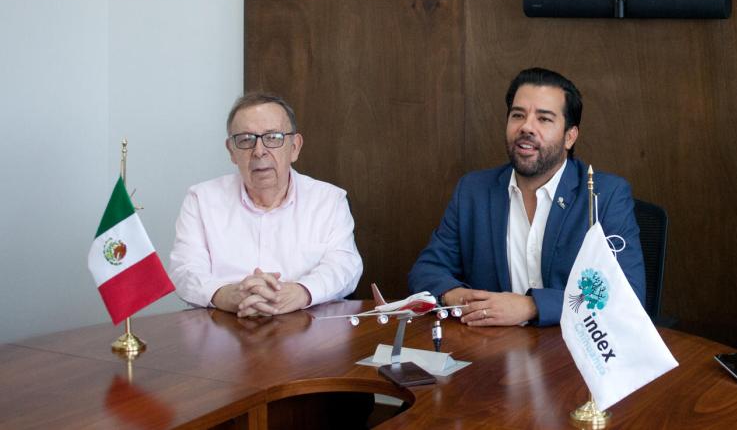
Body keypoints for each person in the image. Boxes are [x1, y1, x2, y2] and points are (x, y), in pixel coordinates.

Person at [408, 68, 644, 327]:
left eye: (544, 119)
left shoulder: (605, 196)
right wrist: (456, 296)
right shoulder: (473, 191)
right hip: (490, 345)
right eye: (518, 115)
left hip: (570, 345)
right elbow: (427, 270)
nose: (526, 127)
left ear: (569, 136)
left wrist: (532, 306)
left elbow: (627, 295)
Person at [169, 93, 362, 317]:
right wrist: (225, 295)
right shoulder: (201, 200)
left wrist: (301, 292)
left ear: (295, 147)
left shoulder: (329, 200)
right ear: (231, 151)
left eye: (273, 137)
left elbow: (345, 265)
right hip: (225, 326)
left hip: (307, 326)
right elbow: (184, 269)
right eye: (246, 139)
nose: (259, 151)